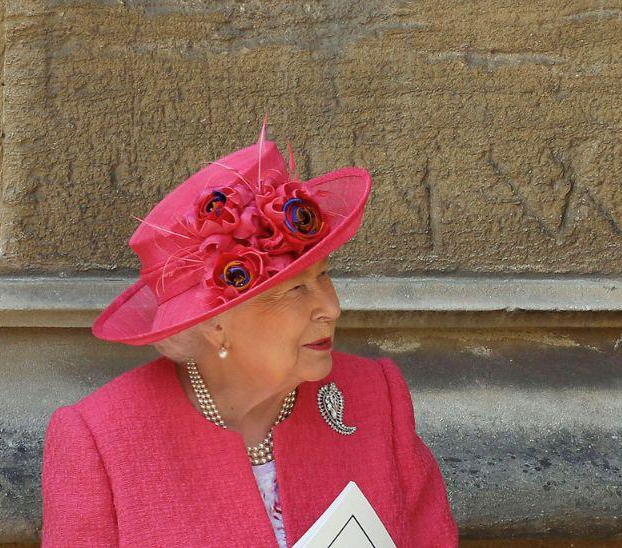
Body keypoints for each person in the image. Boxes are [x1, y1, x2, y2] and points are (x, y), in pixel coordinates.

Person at [41, 125, 458, 547]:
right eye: (295, 289)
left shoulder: (375, 398)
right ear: (215, 323)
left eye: (324, 275)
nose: (330, 308)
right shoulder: (100, 440)